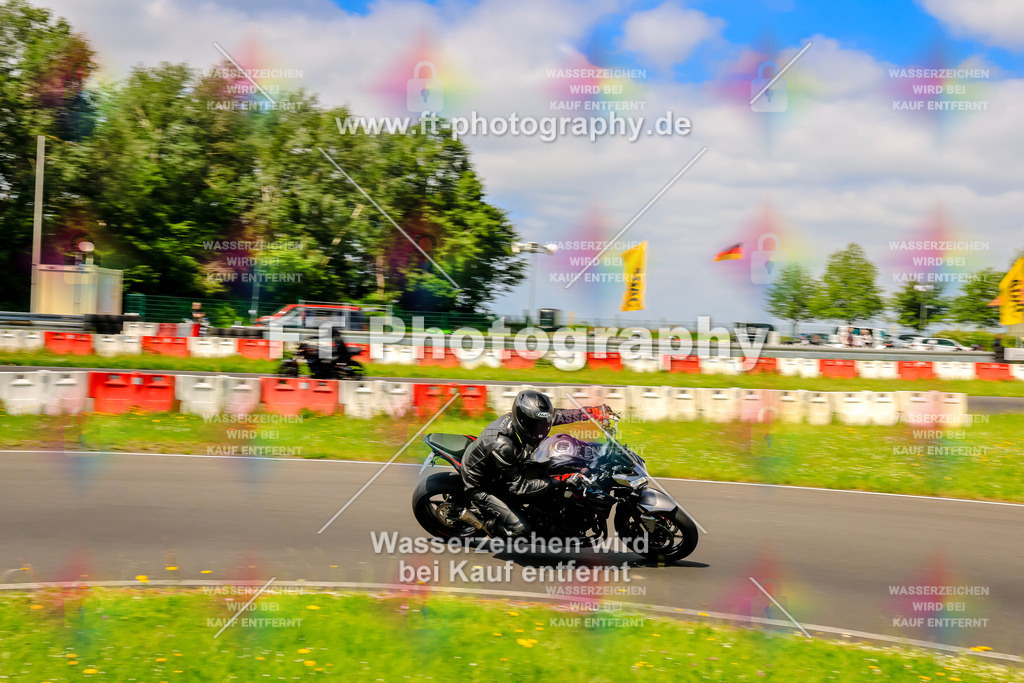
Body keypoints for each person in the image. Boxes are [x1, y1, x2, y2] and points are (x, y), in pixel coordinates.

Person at [460, 389, 612, 537]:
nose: (541, 429)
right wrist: (561, 479)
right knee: (522, 529)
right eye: (536, 425)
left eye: (544, 423)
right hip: (483, 484)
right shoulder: (503, 445)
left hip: (507, 465)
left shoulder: (529, 420)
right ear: (522, 420)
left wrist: (594, 412)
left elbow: (561, 415)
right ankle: (489, 525)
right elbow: (519, 488)